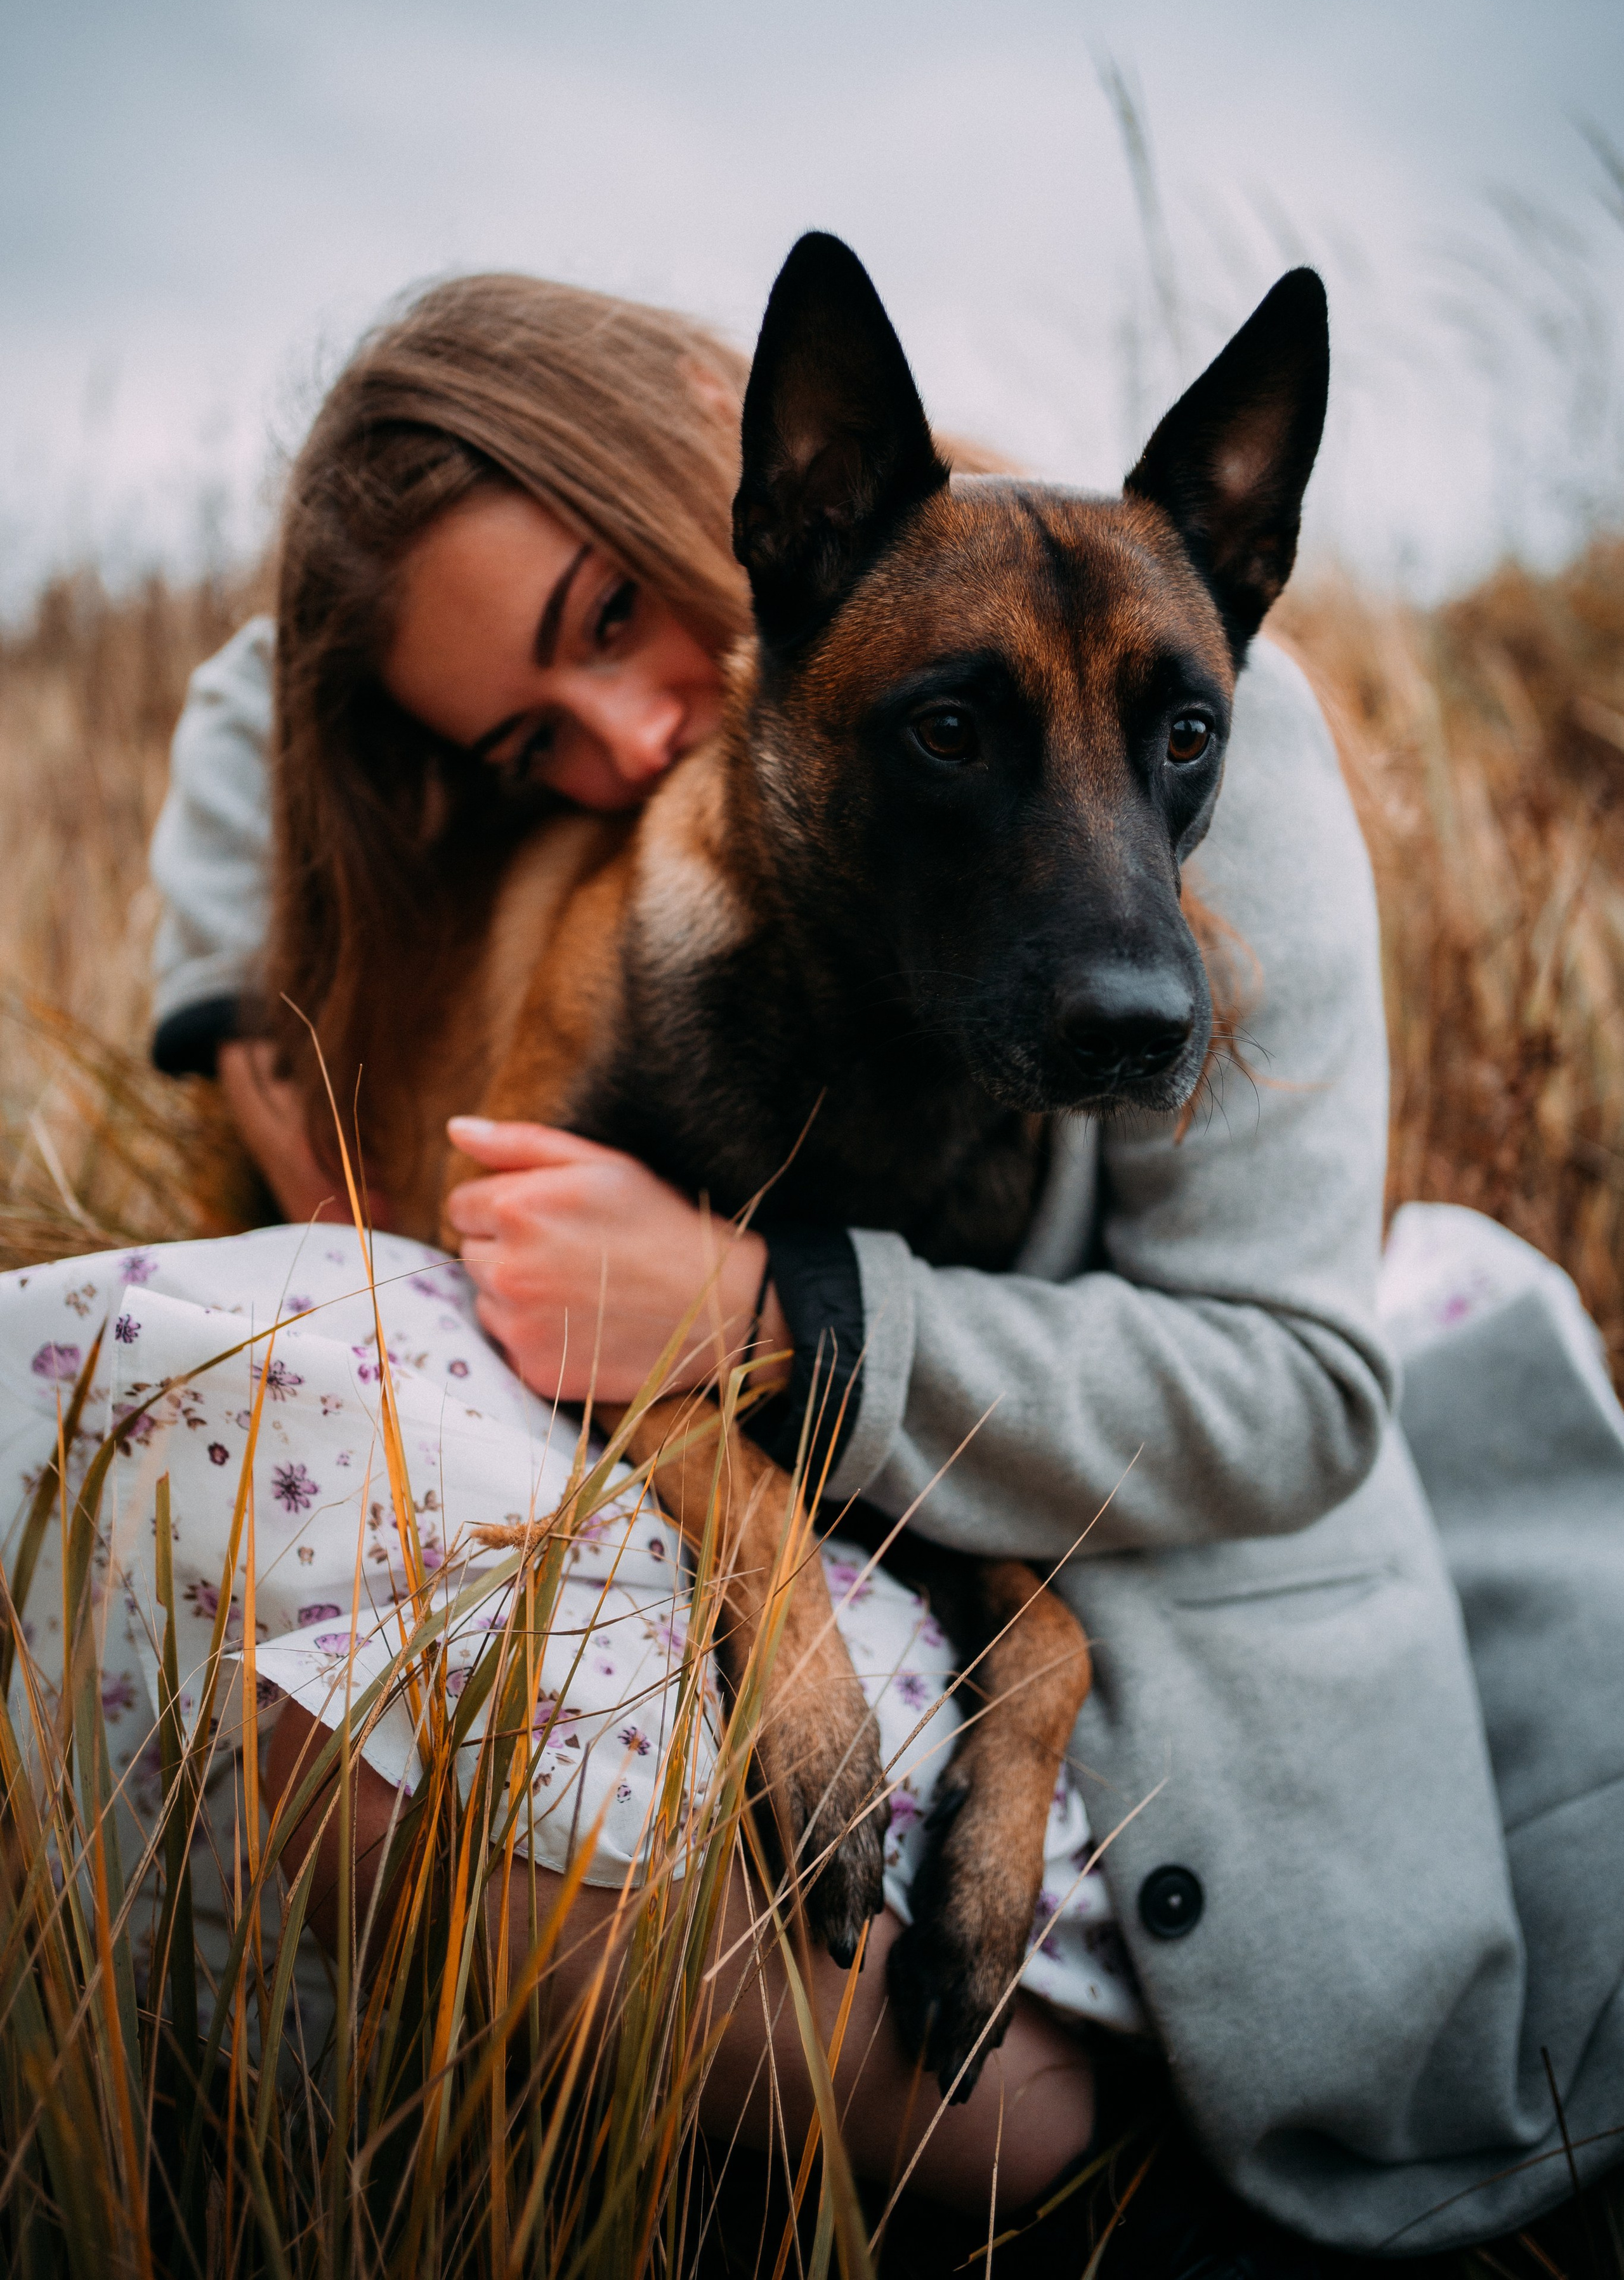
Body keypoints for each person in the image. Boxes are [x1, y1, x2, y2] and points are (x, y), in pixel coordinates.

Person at [5, 266, 1622, 2263]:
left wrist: (780, 1319)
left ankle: (981, 2130)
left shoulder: (1134, 673)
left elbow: (1285, 1391)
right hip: (879, 1505)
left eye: (616, 618)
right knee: (247, 1682)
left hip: (1173, 1632)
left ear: (740, 456)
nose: (623, 732)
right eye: (530, 735)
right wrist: (229, 1026)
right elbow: (272, 683)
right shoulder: (760, 784)